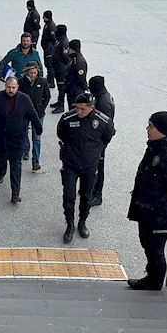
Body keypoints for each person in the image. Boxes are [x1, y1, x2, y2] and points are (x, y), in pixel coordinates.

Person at [127, 111, 167, 289]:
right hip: (148, 209)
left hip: (159, 213)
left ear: (162, 129)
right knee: (148, 247)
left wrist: (165, 203)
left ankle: (154, 285)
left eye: (151, 126)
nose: (147, 129)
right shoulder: (156, 146)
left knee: (155, 251)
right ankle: (150, 278)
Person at [57, 94, 114, 243]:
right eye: (77, 108)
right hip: (70, 164)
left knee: (86, 196)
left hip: (89, 165)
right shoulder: (68, 118)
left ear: (92, 107)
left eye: (83, 109)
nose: (79, 111)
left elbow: (107, 137)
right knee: (69, 196)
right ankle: (69, 224)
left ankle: (82, 222)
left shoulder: (103, 121)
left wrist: (95, 151)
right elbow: (61, 134)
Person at [0, 77, 43, 203]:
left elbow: (32, 114)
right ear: (5, 86)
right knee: (1, 158)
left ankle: (15, 193)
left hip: (17, 138)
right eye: (8, 87)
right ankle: (1, 173)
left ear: (17, 87)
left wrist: (39, 129)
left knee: (16, 165)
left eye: (13, 87)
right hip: (0, 136)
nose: (10, 90)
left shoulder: (24, 99)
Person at [88, 76, 115, 206]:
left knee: (98, 166)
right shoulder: (104, 96)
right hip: (99, 140)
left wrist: (100, 143)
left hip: (99, 141)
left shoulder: (103, 103)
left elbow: (105, 127)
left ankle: (97, 194)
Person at [19, 61, 50, 171]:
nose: (33, 75)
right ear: (26, 72)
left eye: (34, 72)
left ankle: (35, 159)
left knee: (37, 137)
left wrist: (42, 107)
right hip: (25, 113)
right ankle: (26, 149)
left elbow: (47, 96)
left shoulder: (43, 82)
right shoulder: (22, 82)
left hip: (38, 114)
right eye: (30, 73)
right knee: (23, 132)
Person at [53, 39, 87, 113]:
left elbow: (81, 78)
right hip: (71, 89)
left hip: (75, 91)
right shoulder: (72, 58)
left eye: (69, 47)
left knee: (74, 111)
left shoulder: (78, 61)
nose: (67, 49)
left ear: (73, 49)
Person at [50, 24, 70, 111]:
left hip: (62, 69)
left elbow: (66, 57)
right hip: (58, 68)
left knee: (61, 87)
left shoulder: (64, 42)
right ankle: (59, 101)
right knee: (59, 86)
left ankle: (61, 105)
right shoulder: (60, 40)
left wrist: (59, 62)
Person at [40, 10, 57, 88]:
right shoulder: (47, 24)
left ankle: (51, 81)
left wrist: (52, 48)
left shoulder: (51, 26)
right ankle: (49, 78)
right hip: (47, 48)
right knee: (47, 64)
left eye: (44, 16)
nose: (42, 17)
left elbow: (54, 39)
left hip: (49, 48)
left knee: (50, 65)